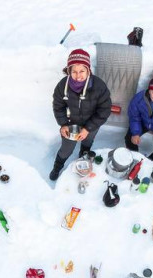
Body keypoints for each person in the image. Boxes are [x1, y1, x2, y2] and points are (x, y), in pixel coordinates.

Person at [49, 49, 112, 181]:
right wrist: (63, 124)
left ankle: (83, 157)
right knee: (66, 149)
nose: (78, 76)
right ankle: (57, 167)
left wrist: (88, 128)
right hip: (71, 125)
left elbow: (104, 110)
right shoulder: (62, 86)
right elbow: (58, 107)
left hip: (92, 124)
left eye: (82, 71)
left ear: (88, 70)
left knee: (87, 141)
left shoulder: (99, 86)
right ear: (69, 71)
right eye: (74, 71)